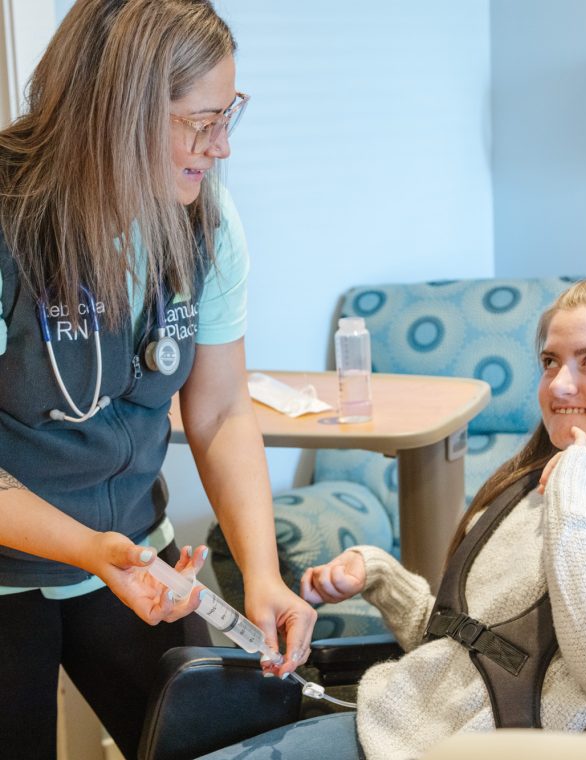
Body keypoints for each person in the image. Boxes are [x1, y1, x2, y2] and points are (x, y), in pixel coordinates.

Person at [203, 280, 586, 760]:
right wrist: (382, 578)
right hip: (405, 726)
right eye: (550, 361)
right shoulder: (525, 485)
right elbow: (474, 650)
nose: (559, 385)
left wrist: (574, 499)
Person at [0, 1, 316, 757]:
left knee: (213, 743)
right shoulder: (10, 220)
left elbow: (220, 411)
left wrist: (263, 576)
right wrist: (87, 548)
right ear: (120, 111)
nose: (221, 147)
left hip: (134, 549)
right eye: (200, 121)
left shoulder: (204, 219)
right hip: (14, 561)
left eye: (228, 115)